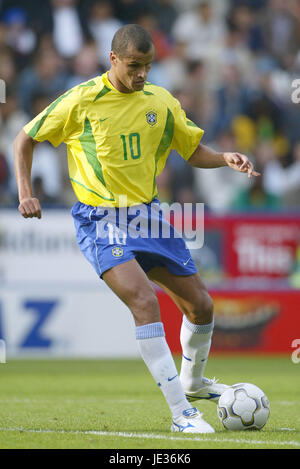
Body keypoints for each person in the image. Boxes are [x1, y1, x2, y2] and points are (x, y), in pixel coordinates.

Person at [14, 24, 260, 434]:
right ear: (114, 60)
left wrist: (224, 157)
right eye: (133, 66)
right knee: (145, 302)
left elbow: (191, 148)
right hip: (100, 219)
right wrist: (25, 192)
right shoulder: (81, 100)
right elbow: (25, 138)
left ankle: (193, 382)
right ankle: (182, 414)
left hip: (148, 216)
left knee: (202, 305)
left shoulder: (160, 101)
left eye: (147, 65)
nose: (142, 73)